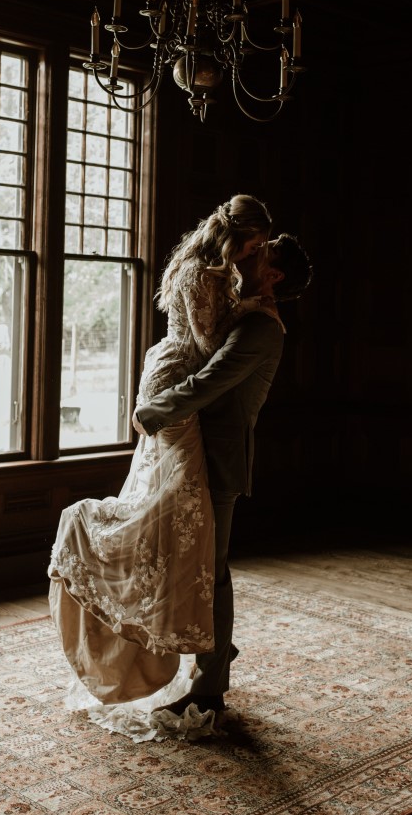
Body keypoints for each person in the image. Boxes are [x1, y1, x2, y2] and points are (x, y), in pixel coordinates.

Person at [48, 195, 272, 728]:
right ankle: (206, 661)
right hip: (174, 390)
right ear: (236, 237)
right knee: (180, 529)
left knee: (192, 541)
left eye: (264, 250)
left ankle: (207, 666)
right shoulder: (203, 275)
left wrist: (249, 304)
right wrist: (249, 305)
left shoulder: (244, 300)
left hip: (192, 407)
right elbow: (208, 348)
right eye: (256, 245)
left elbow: (218, 361)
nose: (257, 255)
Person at [132, 233, 313, 718]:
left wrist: (154, 411)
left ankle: (210, 688)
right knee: (190, 564)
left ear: (273, 275)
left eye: (263, 251)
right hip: (193, 449)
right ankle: (217, 646)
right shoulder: (242, 312)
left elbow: (210, 381)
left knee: (211, 573)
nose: (252, 253)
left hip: (218, 457)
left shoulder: (262, 328)